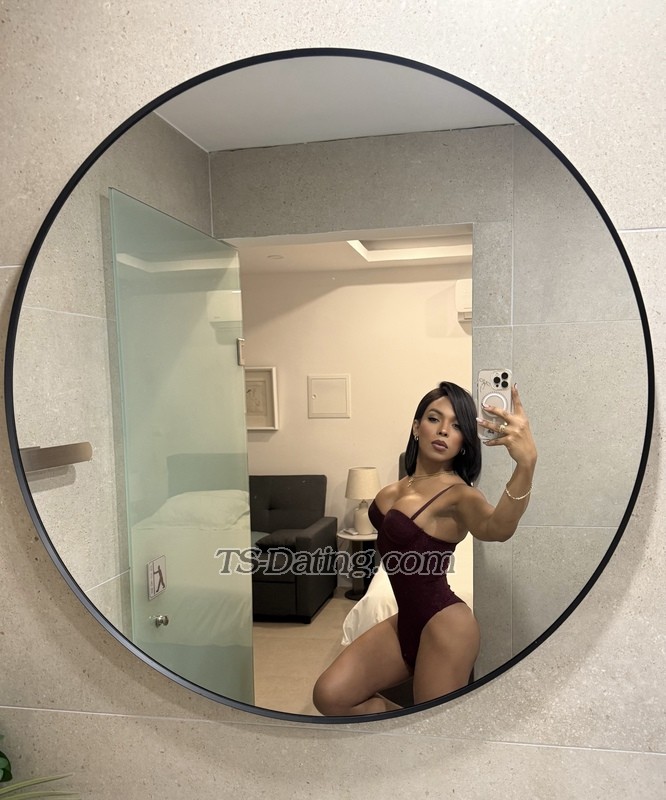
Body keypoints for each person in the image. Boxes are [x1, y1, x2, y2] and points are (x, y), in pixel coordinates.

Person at [312, 380, 537, 716]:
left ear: (464, 442)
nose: (444, 430)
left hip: (446, 625)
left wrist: (526, 465)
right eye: (434, 418)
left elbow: (498, 528)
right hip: (406, 622)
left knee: (432, 727)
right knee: (329, 695)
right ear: (417, 427)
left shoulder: (460, 495)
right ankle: (396, 731)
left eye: (457, 426)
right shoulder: (392, 491)